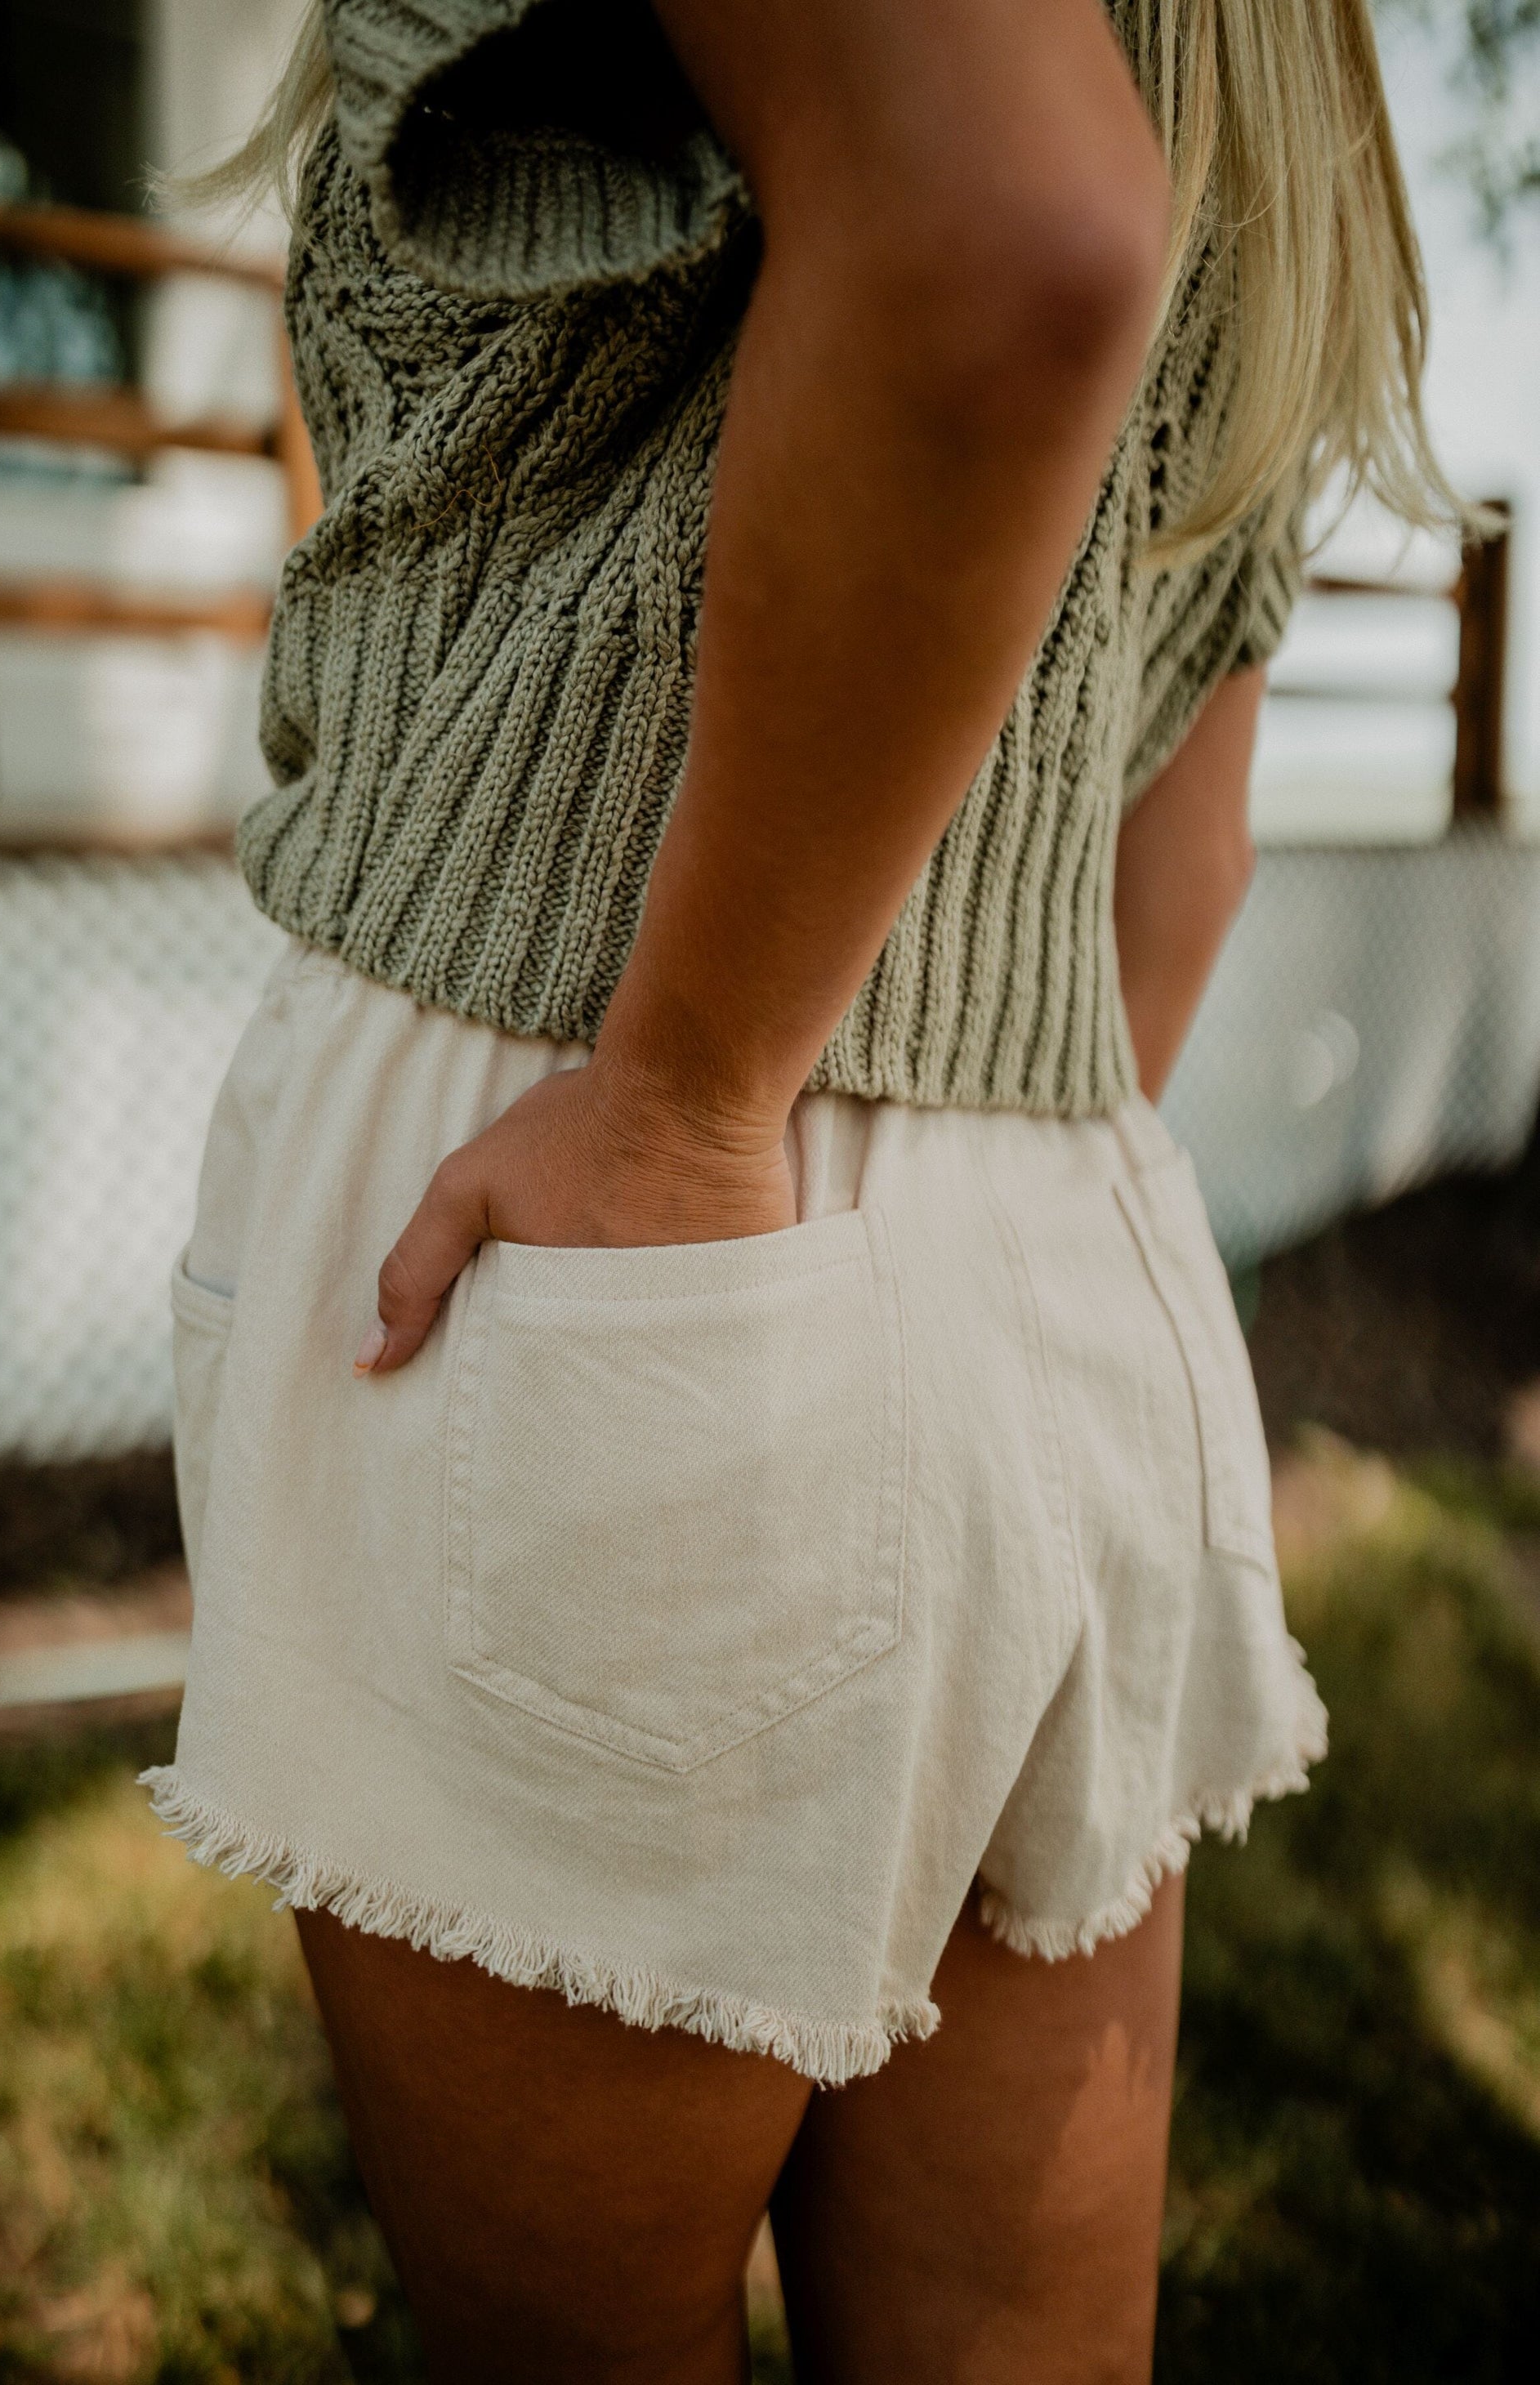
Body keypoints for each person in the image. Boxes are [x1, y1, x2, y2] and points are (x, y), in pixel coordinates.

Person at [145, 2, 1466, 2377]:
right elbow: (1185, 840)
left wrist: (684, 1091)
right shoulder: (1286, 46)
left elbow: (1006, 237)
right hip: (1058, 1235)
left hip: (608, 1165)